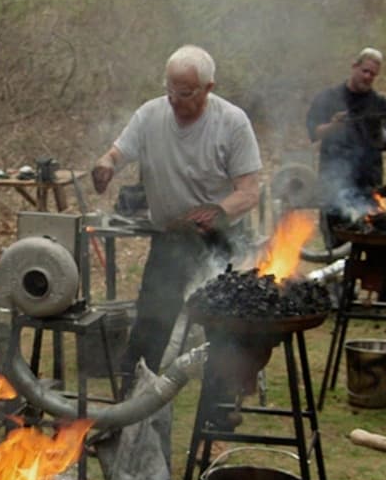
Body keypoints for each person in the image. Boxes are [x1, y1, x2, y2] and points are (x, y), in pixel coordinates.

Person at [91, 45, 262, 399]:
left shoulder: (231, 122)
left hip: (221, 239)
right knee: (152, 319)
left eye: (183, 93)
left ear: (208, 88)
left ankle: (225, 399)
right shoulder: (150, 115)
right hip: (171, 237)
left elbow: (249, 191)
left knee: (225, 323)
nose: (173, 99)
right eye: (169, 89)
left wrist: (217, 211)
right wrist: (106, 164)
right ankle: (132, 398)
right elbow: (117, 152)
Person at [306, 47, 386, 244]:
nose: (368, 77)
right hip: (333, 186)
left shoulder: (379, 104)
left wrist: (376, 130)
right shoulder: (328, 98)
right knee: (335, 246)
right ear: (354, 66)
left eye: (373, 74)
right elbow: (313, 132)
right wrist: (334, 126)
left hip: (368, 188)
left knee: (371, 245)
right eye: (365, 71)